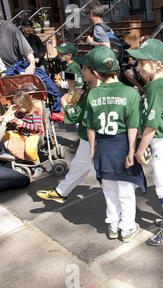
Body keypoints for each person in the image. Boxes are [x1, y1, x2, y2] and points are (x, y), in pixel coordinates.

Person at [81, 46, 145, 243]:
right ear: (116, 69)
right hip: (122, 145)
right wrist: (132, 150)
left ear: (96, 72)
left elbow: (90, 126)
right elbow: (133, 125)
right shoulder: (130, 93)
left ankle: (113, 225)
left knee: (108, 190)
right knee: (125, 190)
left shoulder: (92, 94)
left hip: (102, 146)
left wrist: (92, 149)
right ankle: (127, 228)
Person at [127, 39, 163, 246]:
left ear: (159, 65)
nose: (138, 67)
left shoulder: (157, 87)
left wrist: (140, 149)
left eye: (143, 63)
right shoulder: (158, 84)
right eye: (138, 63)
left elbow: (151, 124)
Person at [36, 55, 100, 204]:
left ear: (95, 72)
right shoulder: (91, 90)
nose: (81, 70)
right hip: (87, 138)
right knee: (79, 165)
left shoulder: (93, 93)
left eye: (84, 68)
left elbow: (74, 116)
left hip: (94, 140)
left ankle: (123, 214)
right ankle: (61, 192)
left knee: (106, 180)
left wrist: (63, 101)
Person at [1, 91, 43, 165]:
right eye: (18, 108)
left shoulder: (34, 113)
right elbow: (18, 123)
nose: (20, 110)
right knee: (4, 135)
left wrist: (23, 124)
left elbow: (38, 128)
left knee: (29, 151)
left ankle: (37, 164)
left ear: (27, 104)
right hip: (22, 133)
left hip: (32, 134)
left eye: (21, 108)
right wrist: (14, 121)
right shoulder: (20, 113)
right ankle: (16, 152)